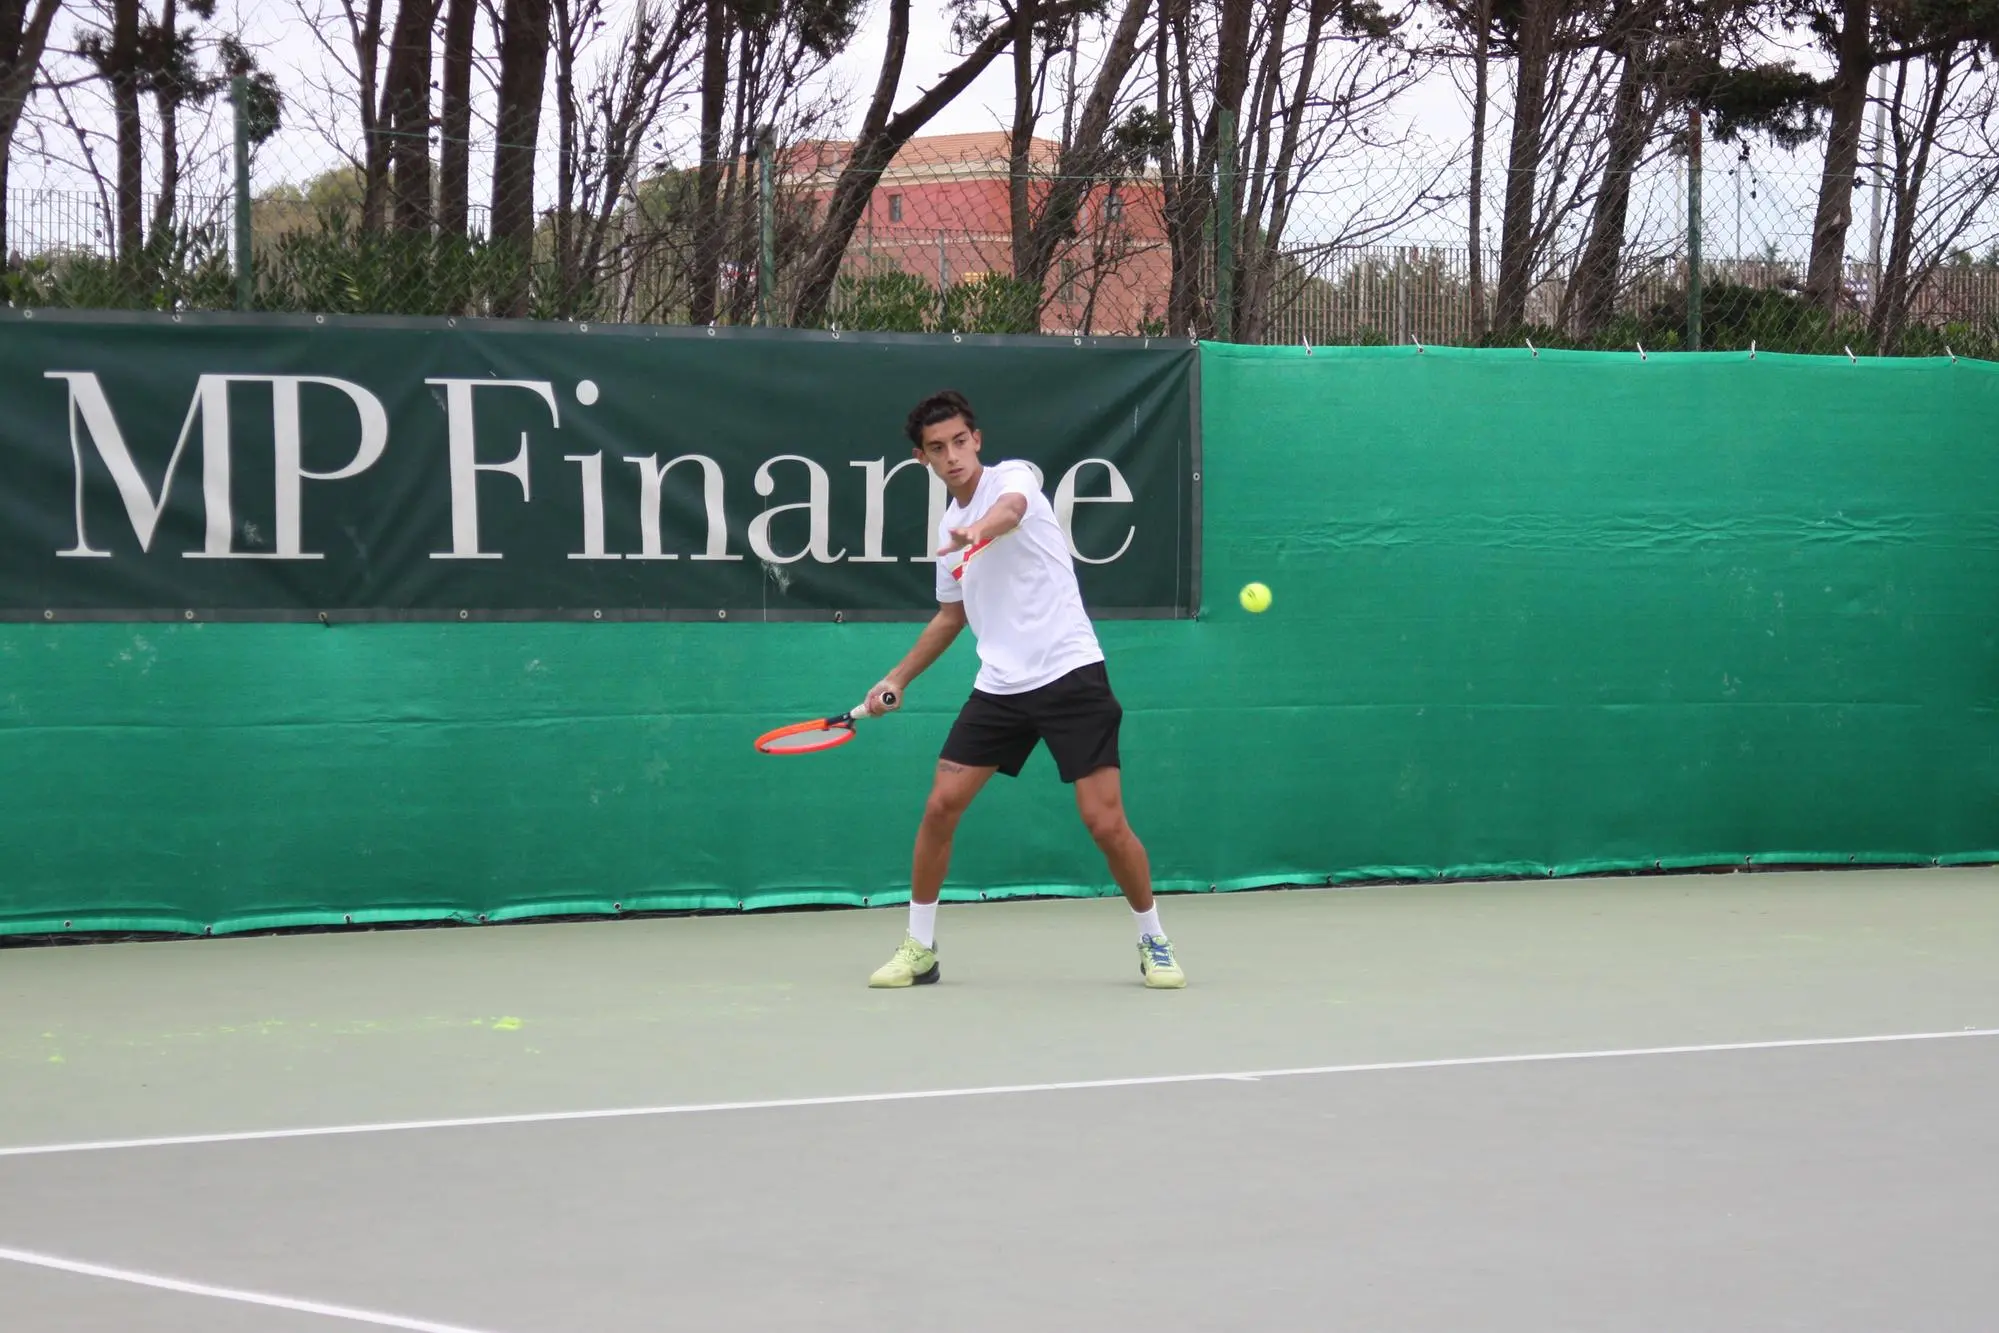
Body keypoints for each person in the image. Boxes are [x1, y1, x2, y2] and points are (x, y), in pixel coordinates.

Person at [862, 389, 1186, 990]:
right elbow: (951, 617)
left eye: (960, 441)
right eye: (938, 448)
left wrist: (977, 532)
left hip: (1070, 673)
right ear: (921, 458)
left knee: (1104, 823)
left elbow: (1009, 512)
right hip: (1000, 687)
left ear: (977, 440)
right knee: (940, 806)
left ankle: (1154, 939)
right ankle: (920, 947)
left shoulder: (1011, 479)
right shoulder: (946, 531)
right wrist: (896, 679)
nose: (953, 456)